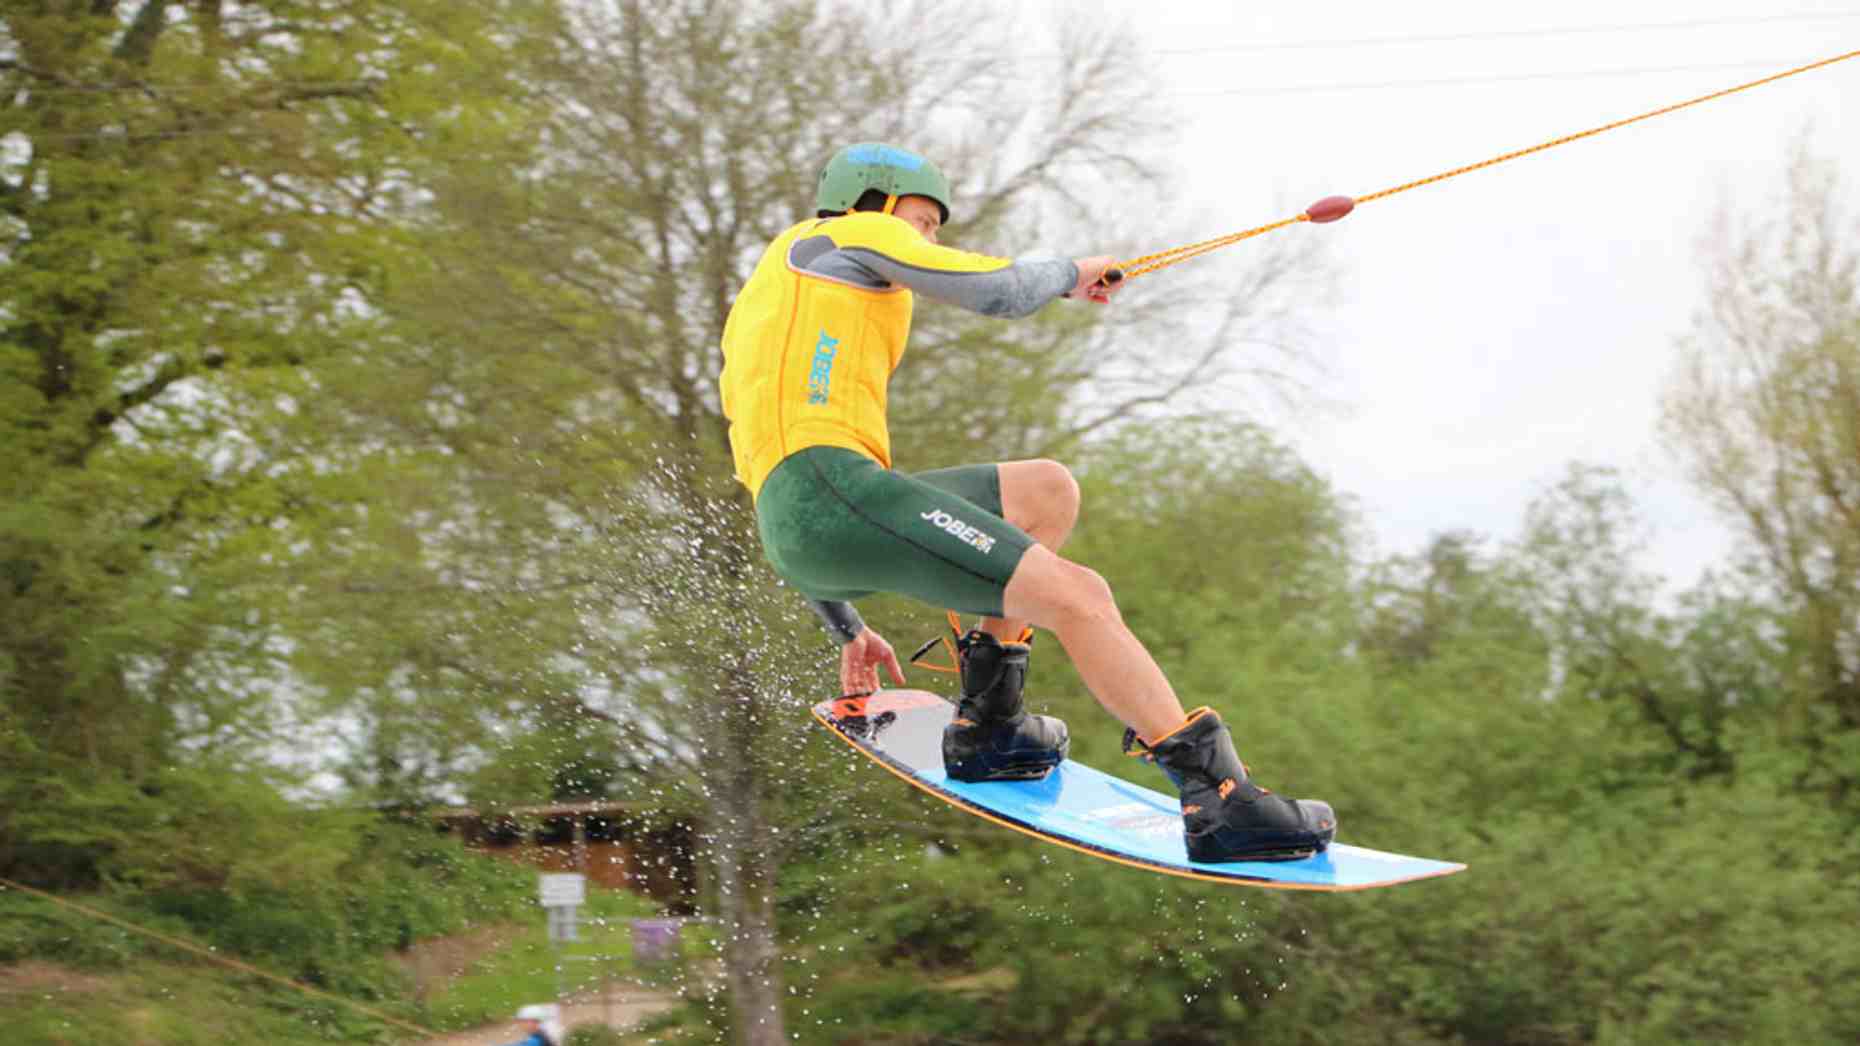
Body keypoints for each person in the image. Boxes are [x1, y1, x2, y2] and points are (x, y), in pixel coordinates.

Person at [718, 143, 1335, 861]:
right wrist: (1072, 274)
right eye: (923, 221)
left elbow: (786, 515)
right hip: (832, 493)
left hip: (812, 515)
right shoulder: (851, 232)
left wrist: (847, 628)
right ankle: (1218, 799)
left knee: (1045, 490)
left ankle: (988, 728)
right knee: (1080, 596)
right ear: (876, 201)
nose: (928, 241)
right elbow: (997, 290)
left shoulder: (777, 301)